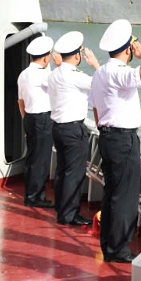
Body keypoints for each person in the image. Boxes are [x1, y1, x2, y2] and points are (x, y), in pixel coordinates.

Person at [91, 19, 141, 263]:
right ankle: (118, 249)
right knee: (125, 196)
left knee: (111, 193)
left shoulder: (99, 73)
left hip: (106, 136)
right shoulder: (118, 72)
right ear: (128, 48)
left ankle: (109, 244)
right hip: (122, 139)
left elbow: (96, 110)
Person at [47, 31, 100, 226]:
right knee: (74, 173)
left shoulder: (54, 74)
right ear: (77, 56)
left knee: (63, 170)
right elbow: (102, 83)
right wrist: (95, 65)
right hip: (72, 130)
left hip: (58, 128)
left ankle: (62, 209)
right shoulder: (75, 76)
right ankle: (69, 215)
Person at [18, 35, 59, 208]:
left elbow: (20, 102)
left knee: (32, 158)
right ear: (44, 57)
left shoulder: (23, 74)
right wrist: (60, 65)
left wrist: (26, 120)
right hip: (42, 119)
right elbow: (59, 81)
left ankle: (31, 194)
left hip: (28, 117)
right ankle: (35, 197)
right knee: (41, 159)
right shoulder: (42, 75)